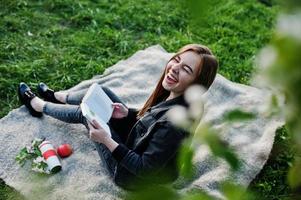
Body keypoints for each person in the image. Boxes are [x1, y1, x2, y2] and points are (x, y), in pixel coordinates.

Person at [18, 44, 218, 189]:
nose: (175, 67)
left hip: (127, 174)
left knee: (86, 115)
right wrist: (128, 114)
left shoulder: (175, 123)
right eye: (177, 59)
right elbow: (151, 124)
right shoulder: (179, 97)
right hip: (135, 141)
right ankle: (59, 97)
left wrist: (106, 140)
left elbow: (144, 168)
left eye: (186, 69)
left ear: (196, 84)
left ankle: (39, 105)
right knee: (101, 92)